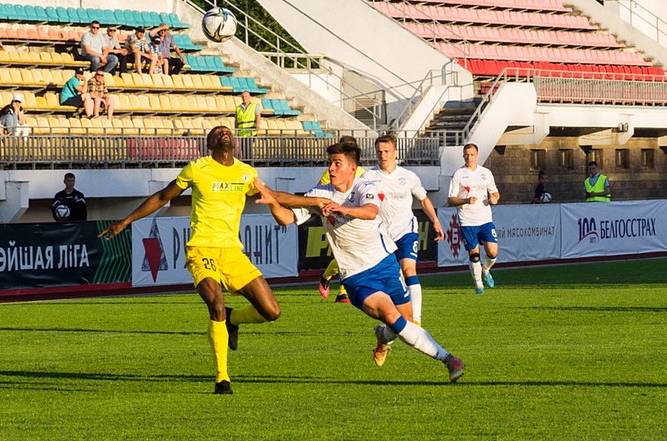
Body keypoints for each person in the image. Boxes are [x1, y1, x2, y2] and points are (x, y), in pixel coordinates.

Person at [256, 141, 464, 382]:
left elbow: (369, 211)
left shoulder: (366, 185)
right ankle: (449, 359)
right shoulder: (320, 194)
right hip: (357, 276)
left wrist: (342, 209)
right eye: (330, 163)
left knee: (404, 321)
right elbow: (287, 216)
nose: (331, 169)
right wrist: (272, 202)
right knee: (389, 314)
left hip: (385, 263)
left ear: (352, 168)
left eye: (337, 164)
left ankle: (382, 338)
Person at [100, 125, 284, 395]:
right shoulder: (197, 168)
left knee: (272, 312)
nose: (223, 132)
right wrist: (126, 221)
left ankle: (234, 320)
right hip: (201, 249)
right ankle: (222, 378)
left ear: (234, 142)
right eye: (217, 131)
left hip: (233, 252)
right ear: (209, 144)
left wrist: (306, 205)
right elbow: (163, 196)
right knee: (216, 305)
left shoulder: (247, 173)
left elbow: (272, 197)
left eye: (226, 130)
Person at [366, 135, 444, 336]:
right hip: (382, 237)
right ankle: (387, 333)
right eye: (379, 152)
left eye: (387, 151)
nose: (383, 155)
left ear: (395, 153)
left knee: (409, 270)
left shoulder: (408, 176)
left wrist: (435, 221)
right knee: (391, 284)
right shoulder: (368, 177)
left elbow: (424, 200)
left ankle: (416, 320)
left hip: (406, 231)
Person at [446, 143, 501, 295]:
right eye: (466, 154)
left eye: (471, 154)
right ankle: (478, 286)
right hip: (467, 220)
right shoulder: (459, 174)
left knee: (493, 251)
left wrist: (494, 198)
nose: (469, 157)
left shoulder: (486, 173)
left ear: (477, 155)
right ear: (463, 156)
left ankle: (486, 270)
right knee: (474, 253)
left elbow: (495, 192)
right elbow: (451, 199)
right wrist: (465, 200)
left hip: (485, 219)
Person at [317, 135, 364, 304]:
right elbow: (320, 192)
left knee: (352, 255)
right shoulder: (330, 172)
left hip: (354, 219)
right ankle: (342, 290)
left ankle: (332, 281)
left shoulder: (361, 172)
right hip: (335, 219)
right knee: (345, 254)